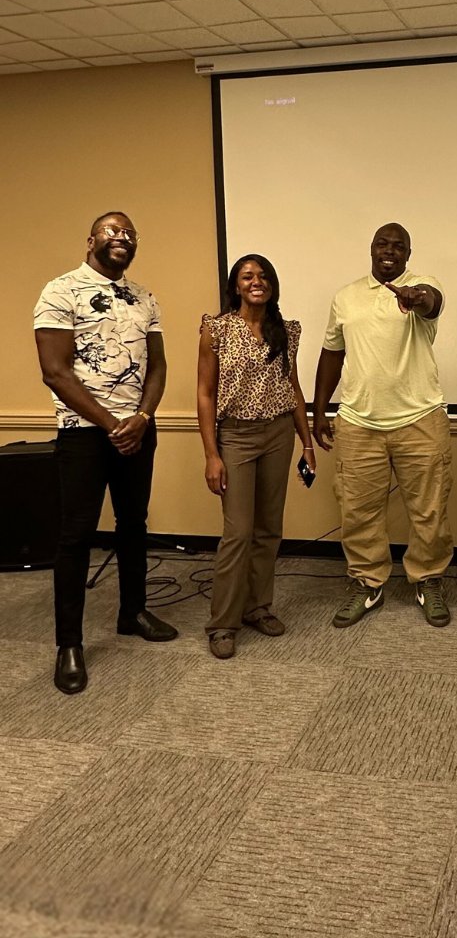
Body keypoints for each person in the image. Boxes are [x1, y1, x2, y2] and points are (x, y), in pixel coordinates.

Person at [34, 211, 176, 695]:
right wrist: (112, 423)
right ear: (91, 238)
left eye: (131, 233)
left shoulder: (144, 296)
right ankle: (68, 644)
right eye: (114, 230)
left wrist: (143, 417)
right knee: (76, 535)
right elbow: (55, 372)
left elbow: (158, 366)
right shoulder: (60, 291)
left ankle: (132, 612)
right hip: (84, 433)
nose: (123, 237)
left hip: (137, 428)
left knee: (133, 523)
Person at [313, 223, 453, 629]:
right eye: (382, 244)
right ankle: (367, 583)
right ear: (371, 249)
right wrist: (320, 411)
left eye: (398, 247)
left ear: (408, 254)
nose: (389, 251)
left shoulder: (422, 287)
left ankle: (428, 580)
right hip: (358, 422)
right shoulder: (346, 297)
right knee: (357, 511)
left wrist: (417, 298)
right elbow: (331, 354)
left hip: (420, 419)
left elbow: (433, 302)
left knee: (429, 510)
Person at [196, 255, 315, 660]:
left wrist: (308, 443)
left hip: (279, 433)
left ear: (273, 285)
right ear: (235, 286)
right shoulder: (216, 330)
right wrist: (212, 453)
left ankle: (257, 607)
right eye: (247, 276)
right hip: (237, 436)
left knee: (268, 529)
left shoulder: (286, 330)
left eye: (263, 276)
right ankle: (222, 624)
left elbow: (292, 386)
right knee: (238, 533)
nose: (256, 281)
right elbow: (205, 394)